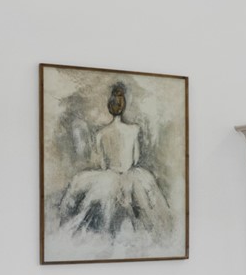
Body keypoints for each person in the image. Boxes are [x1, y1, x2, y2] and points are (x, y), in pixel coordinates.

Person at [58, 81, 166, 239]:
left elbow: (102, 164)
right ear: (123, 106)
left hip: (108, 178)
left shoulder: (101, 134)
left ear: (110, 106)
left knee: (101, 217)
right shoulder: (134, 130)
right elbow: (135, 159)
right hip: (131, 177)